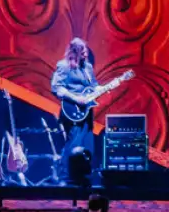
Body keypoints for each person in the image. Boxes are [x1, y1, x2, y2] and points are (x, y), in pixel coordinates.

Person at [50, 37, 129, 183]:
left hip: (86, 113)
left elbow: (94, 87)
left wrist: (109, 86)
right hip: (72, 112)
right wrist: (76, 98)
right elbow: (57, 88)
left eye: (86, 51)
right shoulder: (64, 66)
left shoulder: (88, 68)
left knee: (88, 147)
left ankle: (82, 178)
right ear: (74, 52)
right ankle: (65, 177)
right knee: (73, 145)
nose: (86, 54)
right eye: (83, 52)